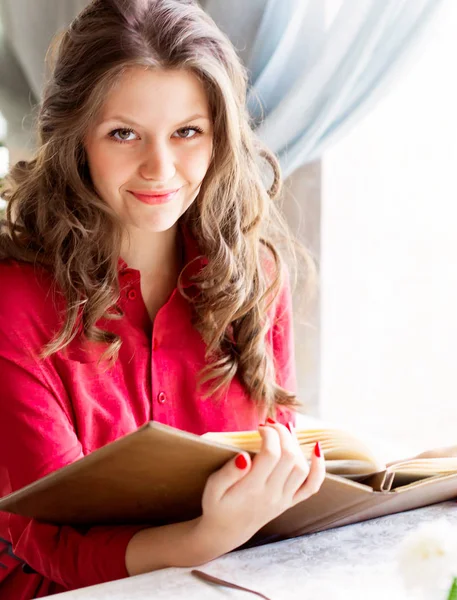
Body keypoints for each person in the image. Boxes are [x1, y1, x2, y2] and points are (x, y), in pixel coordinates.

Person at [0, 0, 325, 597]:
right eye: (124, 133)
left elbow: (274, 486)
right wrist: (208, 536)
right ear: (77, 141)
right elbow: (50, 546)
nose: (160, 167)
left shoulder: (256, 278)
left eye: (187, 133)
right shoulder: (14, 303)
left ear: (219, 139)